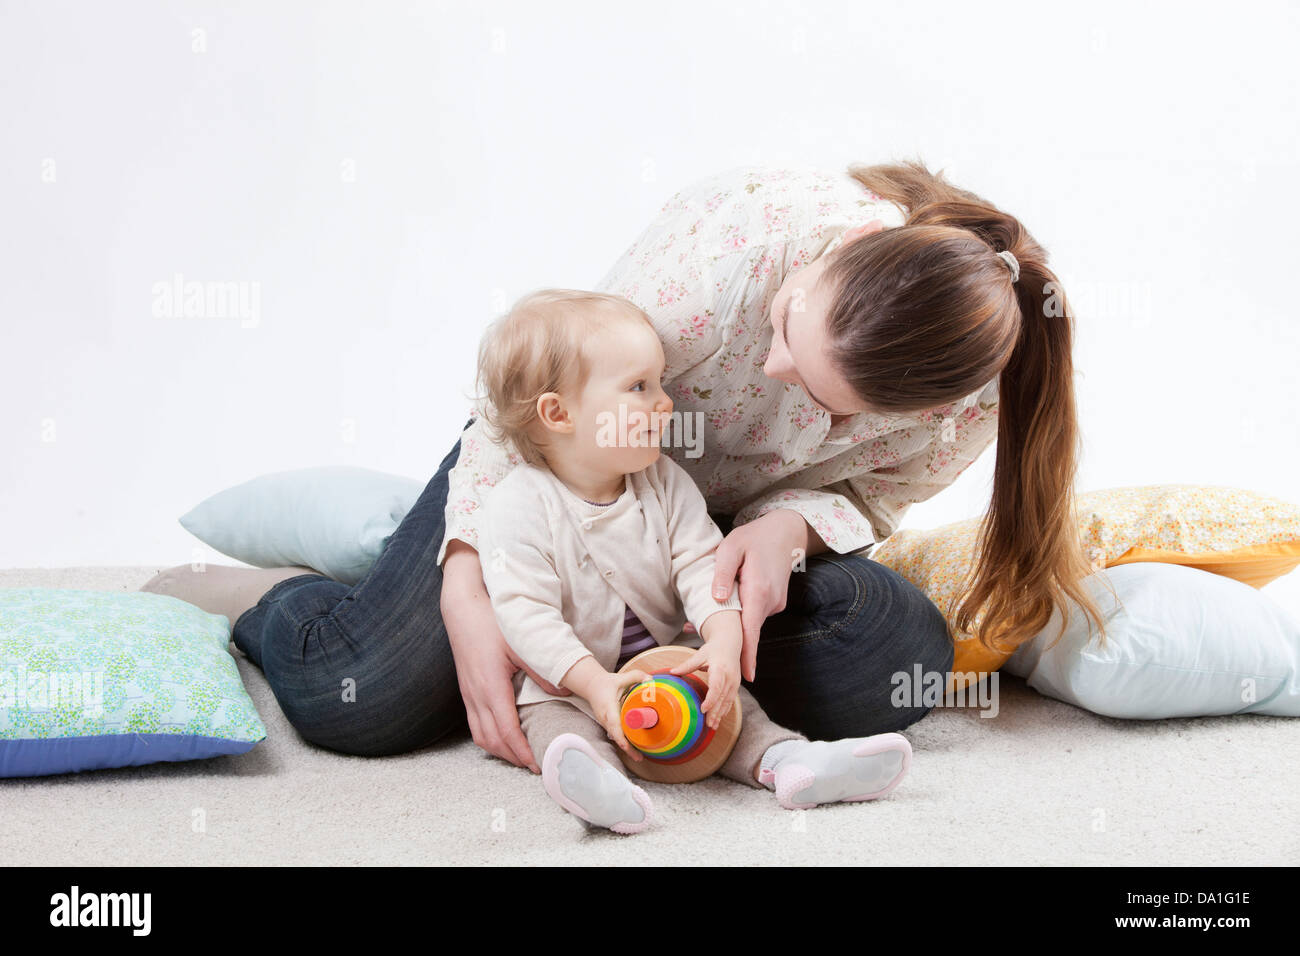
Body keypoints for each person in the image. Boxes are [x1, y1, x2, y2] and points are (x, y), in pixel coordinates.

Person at [142, 160, 1104, 767]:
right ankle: (270, 599)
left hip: (703, 545)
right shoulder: (737, 245)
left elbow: (874, 496)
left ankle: (637, 678)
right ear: (848, 247)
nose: (773, 372)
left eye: (814, 392)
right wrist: (470, 577)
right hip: (560, 484)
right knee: (369, 699)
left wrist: (789, 528)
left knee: (896, 657)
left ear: (924, 405)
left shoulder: (968, 400)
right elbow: (536, 400)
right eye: (781, 332)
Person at [471, 287, 913, 832]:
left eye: (658, 382)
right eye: (639, 387)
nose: (666, 402)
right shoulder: (517, 504)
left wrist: (722, 643)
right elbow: (525, 614)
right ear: (558, 413)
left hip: (668, 665)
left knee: (734, 714)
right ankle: (599, 785)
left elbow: (703, 565)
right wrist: (594, 685)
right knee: (559, 727)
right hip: (571, 685)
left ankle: (792, 763)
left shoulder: (661, 481)